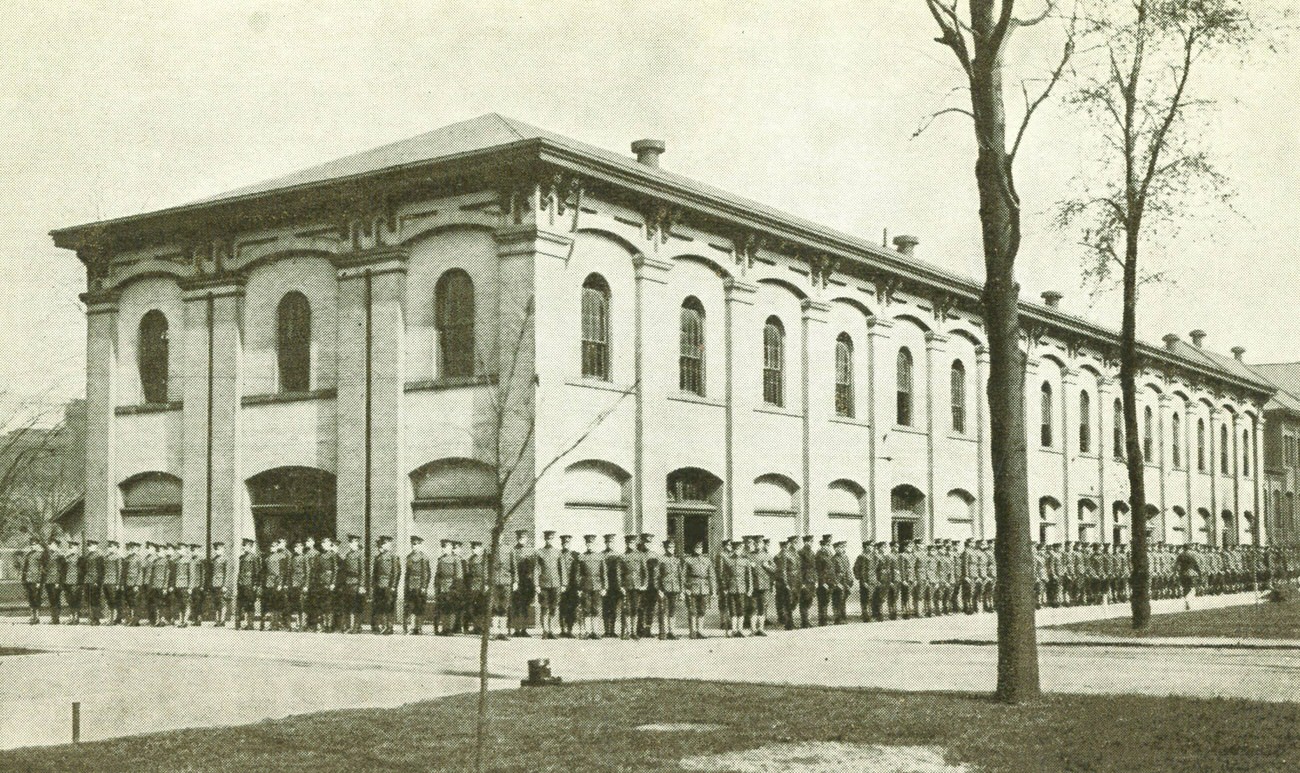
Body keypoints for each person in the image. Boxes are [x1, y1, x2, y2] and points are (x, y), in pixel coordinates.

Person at [574, 534, 606, 640]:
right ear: (586, 544)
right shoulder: (581, 557)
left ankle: (595, 631)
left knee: (596, 609)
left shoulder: (600, 557)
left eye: (591, 543)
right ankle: (587, 631)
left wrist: (604, 587)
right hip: (585, 586)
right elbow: (578, 574)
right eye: (588, 543)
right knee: (586, 609)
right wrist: (579, 588)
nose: (589, 545)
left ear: (594, 544)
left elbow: (604, 573)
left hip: (597, 586)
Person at [719, 539, 752, 637]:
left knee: (741, 608)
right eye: (736, 549)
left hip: (742, 587)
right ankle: (734, 630)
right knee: (732, 609)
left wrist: (750, 588)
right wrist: (724, 588)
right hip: (731, 587)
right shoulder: (728, 560)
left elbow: (748, 576)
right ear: (733, 549)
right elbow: (724, 576)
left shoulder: (745, 560)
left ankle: (740, 630)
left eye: (739, 549)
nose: (738, 551)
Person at [617, 534, 647, 640]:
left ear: (635, 544)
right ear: (626, 543)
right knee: (626, 609)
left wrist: (644, 584)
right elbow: (619, 573)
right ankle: (627, 631)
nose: (631, 545)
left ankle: (634, 632)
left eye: (632, 543)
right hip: (626, 586)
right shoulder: (622, 556)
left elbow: (644, 572)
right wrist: (621, 586)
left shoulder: (640, 555)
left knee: (635, 608)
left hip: (637, 586)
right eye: (629, 543)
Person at [434, 539, 466, 635]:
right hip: (442, 587)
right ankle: (444, 628)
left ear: (450, 548)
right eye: (443, 547)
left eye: (446, 547)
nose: (443, 549)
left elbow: (459, 576)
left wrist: (455, 589)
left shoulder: (456, 559)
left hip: (452, 587)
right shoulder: (441, 559)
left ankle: (450, 629)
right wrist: (437, 587)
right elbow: (438, 575)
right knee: (444, 608)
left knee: (451, 608)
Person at [683, 541, 713, 639]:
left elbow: (712, 575)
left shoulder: (707, 560)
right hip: (692, 588)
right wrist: (685, 588)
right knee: (692, 610)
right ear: (693, 549)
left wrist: (712, 590)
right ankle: (693, 631)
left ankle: (700, 630)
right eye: (696, 548)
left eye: (700, 548)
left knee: (702, 610)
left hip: (704, 587)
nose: (698, 550)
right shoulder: (688, 560)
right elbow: (683, 576)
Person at [489, 535, 517, 641]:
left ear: (502, 536)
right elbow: (486, 566)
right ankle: (495, 632)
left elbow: (514, 566)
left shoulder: (509, 549)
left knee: (505, 606)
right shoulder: (489, 549)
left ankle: (503, 632)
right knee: (495, 606)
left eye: (500, 535)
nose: (498, 537)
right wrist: (487, 582)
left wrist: (515, 581)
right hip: (494, 582)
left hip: (506, 582)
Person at [656, 539, 684, 640]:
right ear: (665, 548)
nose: (671, 549)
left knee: (672, 611)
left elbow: (680, 576)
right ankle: (662, 632)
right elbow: (657, 576)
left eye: (672, 547)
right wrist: (659, 589)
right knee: (663, 610)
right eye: (669, 547)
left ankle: (671, 631)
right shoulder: (660, 559)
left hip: (674, 588)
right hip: (664, 589)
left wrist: (681, 591)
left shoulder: (676, 560)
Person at [509, 530, 536, 638]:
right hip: (516, 581)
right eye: (520, 538)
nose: (522, 539)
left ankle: (524, 629)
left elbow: (535, 568)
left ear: (527, 538)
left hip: (528, 582)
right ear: (517, 538)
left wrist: (534, 582)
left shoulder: (532, 551)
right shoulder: (513, 550)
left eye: (524, 538)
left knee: (526, 605)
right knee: (516, 605)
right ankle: (516, 629)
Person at [371, 536, 399, 635]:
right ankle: (380, 626)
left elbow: (396, 573)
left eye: (388, 544)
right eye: (385, 544)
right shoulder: (377, 557)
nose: (388, 545)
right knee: (379, 606)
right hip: (379, 585)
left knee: (389, 606)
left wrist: (393, 586)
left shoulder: (393, 557)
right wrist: (373, 585)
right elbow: (374, 573)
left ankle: (389, 627)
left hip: (389, 585)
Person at [404, 535, 431, 635]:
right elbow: (407, 573)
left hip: (419, 585)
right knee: (410, 606)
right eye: (413, 544)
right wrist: (406, 586)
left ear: (420, 545)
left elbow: (426, 573)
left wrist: (424, 586)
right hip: (410, 585)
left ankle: (418, 628)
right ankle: (411, 627)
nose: (414, 546)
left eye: (416, 544)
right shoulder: (409, 557)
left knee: (419, 607)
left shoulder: (424, 557)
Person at [339, 534, 366, 634]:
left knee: (357, 605)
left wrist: (362, 585)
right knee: (348, 605)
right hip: (348, 583)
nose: (352, 544)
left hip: (356, 583)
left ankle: (357, 626)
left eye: (354, 542)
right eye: (350, 542)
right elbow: (344, 571)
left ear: (357, 543)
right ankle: (348, 625)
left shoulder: (360, 555)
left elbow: (362, 571)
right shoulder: (348, 555)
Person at [749, 537, 774, 636]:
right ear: (754, 545)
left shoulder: (767, 556)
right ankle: (753, 630)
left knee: (762, 607)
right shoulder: (749, 556)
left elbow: (775, 569)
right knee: (753, 607)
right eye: (755, 543)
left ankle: (761, 629)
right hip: (753, 585)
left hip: (765, 585)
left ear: (762, 544)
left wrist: (767, 566)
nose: (757, 545)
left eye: (759, 543)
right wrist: (750, 566)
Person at [774, 536, 800, 630]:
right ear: (790, 543)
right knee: (788, 601)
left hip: (796, 580)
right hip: (789, 580)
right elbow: (783, 570)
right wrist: (786, 583)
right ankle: (789, 623)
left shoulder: (795, 554)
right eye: (794, 543)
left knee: (795, 599)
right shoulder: (785, 554)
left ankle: (787, 618)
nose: (796, 544)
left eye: (797, 542)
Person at [638, 533, 660, 638]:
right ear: (642, 542)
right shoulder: (637, 554)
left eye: (649, 542)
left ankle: (648, 629)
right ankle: (639, 629)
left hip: (652, 585)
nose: (648, 544)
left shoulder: (654, 555)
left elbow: (658, 572)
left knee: (651, 608)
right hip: (641, 585)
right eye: (646, 542)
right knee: (641, 607)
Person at [236, 538, 260, 630]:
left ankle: (250, 624)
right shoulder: (241, 557)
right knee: (240, 604)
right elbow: (240, 571)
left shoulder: (254, 557)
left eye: (244, 545)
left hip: (250, 583)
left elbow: (257, 572)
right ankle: (238, 624)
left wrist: (256, 584)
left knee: (250, 604)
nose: (243, 547)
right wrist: (239, 582)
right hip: (241, 584)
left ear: (250, 547)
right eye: (243, 545)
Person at [557, 535, 579, 638]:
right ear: (562, 544)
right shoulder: (558, 554)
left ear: (570, 543)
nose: (566, 544)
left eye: (567, 543)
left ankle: (570, 629)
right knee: (562, 607)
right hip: (560, 585)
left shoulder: (575, 555)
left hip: (573, 587)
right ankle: (563, 629)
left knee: (572, 608)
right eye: (564, 543)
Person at [316, 537, 339, 632]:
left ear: (329, 545)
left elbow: (335, 570)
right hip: (322, 581)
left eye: (325, 544)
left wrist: (333, 582)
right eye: (322, 544)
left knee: (329, 604)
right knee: (323, 604)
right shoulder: (320, 556)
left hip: (330, 582)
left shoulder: (333, 555)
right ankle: (324, 625)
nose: (323, 546)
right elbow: (318, 570)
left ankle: (329, 626)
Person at [601, 533, 621, 638]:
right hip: (604, 586)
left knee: (613, 608)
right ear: (605, 543)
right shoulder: (601, 555)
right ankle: (606, 630)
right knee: (605, 608)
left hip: (614, 586)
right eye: (608, 542)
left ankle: (612, 630)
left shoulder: (618, 555)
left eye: (611, 542)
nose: (610, 544)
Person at [465, 541, 487, 634]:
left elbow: (486, 572)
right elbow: (468, 573)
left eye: (476, 548)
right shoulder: (470, 559)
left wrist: (486, 584)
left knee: (481, 607)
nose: (474, 550)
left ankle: (480, 627)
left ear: (480, 548)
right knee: (471, 607)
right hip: (472, 586)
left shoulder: (484, 559)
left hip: (481, 585)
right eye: (473, 548)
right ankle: (475, 626)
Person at [20, 537, 42, 625]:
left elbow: (41, 569)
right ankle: (32, 616)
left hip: (35, 579)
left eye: (34, 544)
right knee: (30, 597)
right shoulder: (29, 554)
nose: (32, 546)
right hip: (28, 579)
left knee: (35, 597)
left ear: (37, 544)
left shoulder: (40, 554)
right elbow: (25, 567)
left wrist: (39, 581)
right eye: (31, 544)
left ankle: (37, 617)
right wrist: (23, 578)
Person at [123, 541, 145, 626]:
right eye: (128, 549)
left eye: (131, 549)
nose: (130, 550)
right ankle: (130, 619)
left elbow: (140, 573)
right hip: (127, 583)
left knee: (136, 602)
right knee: (129, 601)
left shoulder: (138, 559)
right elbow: (124, 573)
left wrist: (137, 584)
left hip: (135, 583)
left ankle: (136, 620)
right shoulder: (126, 558)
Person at [208, 541, 229, 627]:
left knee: (222, 602)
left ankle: (223, 620)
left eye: (219, 549)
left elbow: (227, 573)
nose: (217, 551)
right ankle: (217, 620)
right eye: (216, 549)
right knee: (215, 602)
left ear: (223, 550)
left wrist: (225, 585)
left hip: (221, 583)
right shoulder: (213, 560)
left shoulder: (225, 559)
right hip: (214, 583)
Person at [62, 540, 83, 625]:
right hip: (67, 581)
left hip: (76, 581)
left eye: (73, 548)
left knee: (76, 599)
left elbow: (82, 571)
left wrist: (80, 582)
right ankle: (71, 617)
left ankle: (76, 617)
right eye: (70, 548)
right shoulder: (67, 557)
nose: (71, 549)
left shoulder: (80, 558)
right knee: (69, 599)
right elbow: (63, 570)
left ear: (77, 548)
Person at [831, 540, 852, 624]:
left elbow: (848, 570)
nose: (842, 549)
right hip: (838, 583)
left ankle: (843, 617)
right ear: (835, 549)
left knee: (843, 600)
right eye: (840, 547)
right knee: (837, 600)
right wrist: (836, 583)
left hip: (845, 582)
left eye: (843, 547)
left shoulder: (845, 557)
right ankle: (837, 618)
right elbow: (832, 573)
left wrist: (850, 582)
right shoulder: (833, 559)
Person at [45, 538, 65, 625]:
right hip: (49, 581)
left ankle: (56, 618)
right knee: (51, 599)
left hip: (56, 581)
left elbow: (61, 570)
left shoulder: (60, 556)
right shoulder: (49, 555)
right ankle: (53, 617)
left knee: (56, 599)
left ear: (56, 545)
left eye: (51, 544)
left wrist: (58, 582)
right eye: (49, 544)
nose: (49, 546)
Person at [1175, 543, 1201, 610]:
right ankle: (1189, 601)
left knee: (1185, 587)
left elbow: (1177, 565)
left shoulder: (1180, 555)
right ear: (1189, 548)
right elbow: (1196, 564)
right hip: (1191, 573)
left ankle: (1186, 601)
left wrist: (1177, 572)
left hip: (1183, 573)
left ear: (1183, 548)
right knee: (1192, 587)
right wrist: (1199, 572)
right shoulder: (1193, 555)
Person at [104, 540, 124, 625]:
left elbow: (119, 571)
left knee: (114, 600)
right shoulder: (107, 557)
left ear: (116, 548)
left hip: (113, 582)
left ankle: (115, 619)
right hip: (106, 581)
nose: (110, 548)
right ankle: (110, 618)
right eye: (109, 546)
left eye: (112, 546)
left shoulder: (118, 557)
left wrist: (118, 584)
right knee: (108, 600)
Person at [171, 543, 191, 627]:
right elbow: (173, 575)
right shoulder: (175, 561)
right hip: (177, 585)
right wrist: (172, 585)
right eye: (178, 550)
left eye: (181, 549)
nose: (180, 551)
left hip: (185, 585)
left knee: (186, 603)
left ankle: (185, 621)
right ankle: (180, 620)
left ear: (185, 550)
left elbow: (191, 574)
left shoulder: (188, 561)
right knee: (179, 603)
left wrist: (190, 586)